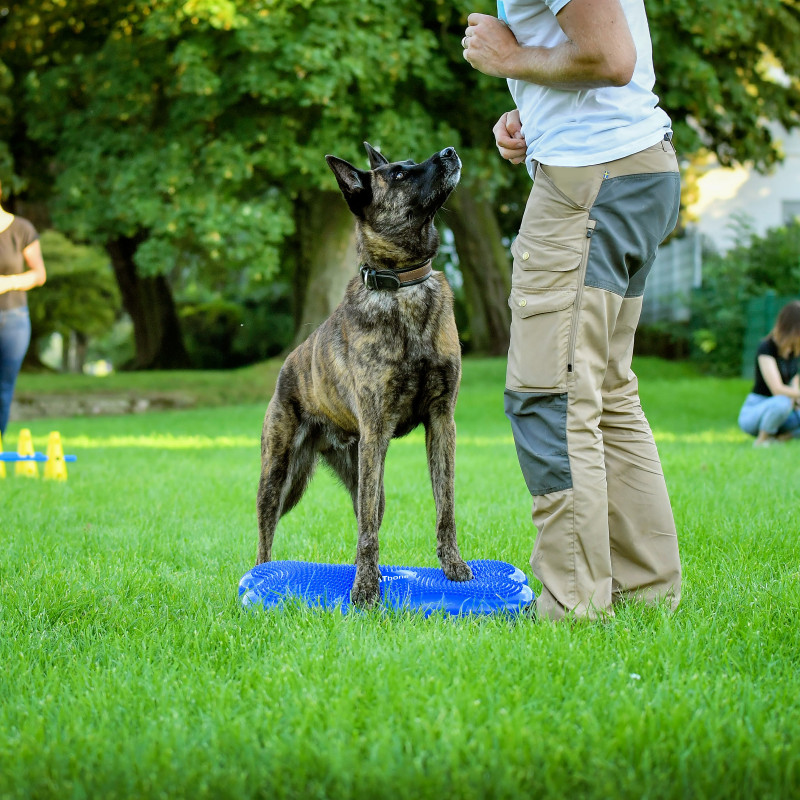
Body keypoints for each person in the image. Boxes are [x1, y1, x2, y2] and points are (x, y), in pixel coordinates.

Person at [462, 0, 681, 620]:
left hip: (590, 184)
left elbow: (610, 58)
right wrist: (532, 110)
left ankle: (573, 607)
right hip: (629, 173)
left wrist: (510, 58)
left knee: (550, 398)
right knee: (606, 392)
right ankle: (647, 594)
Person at [0, 179, 47, 437]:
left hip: (12, 319)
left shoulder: (21, 229)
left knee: (3, 389)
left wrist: (8, 283)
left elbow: (39, 274)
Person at [738, 301, 800, 448]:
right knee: (782, 402)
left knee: (787, 404)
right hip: (756, 411)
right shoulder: (766, 348)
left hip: (784, 412)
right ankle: (762, 440)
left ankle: (778, 440)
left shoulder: (794, 352)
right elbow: (777, 389)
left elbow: (795, 385)